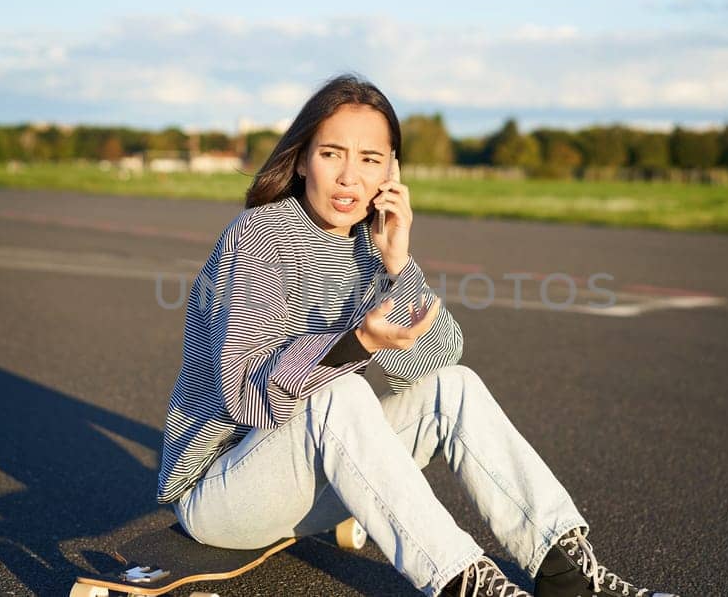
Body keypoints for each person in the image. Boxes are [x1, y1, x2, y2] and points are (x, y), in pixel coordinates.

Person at [156, 74, 676, 597]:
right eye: (332, 154)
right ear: (300, 159)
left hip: (307, 480)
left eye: (369, 159)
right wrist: (356, 344)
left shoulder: (372, 244)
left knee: (458, 386)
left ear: (392, 171)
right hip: (222, 489)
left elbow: (438, 362)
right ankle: (459, 581)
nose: (348, 178)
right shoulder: (259, 237)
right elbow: (247, 398)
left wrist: (398, 262)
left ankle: (568, 576)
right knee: (341, 391)